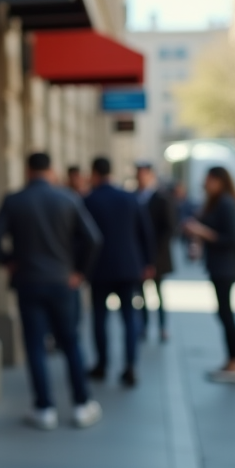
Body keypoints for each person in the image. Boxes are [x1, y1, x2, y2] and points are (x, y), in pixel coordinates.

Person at [0, 152, 103, 430]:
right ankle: (81, 404)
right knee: (71, 343)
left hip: (28, 281)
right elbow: (94, 239)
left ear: (28, 171)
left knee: (35, 346)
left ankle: (44, 408)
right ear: (51, 171)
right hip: (63, 283)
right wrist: (79, 273)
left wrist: (9, 263)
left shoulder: (14, 201)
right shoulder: (68, 198)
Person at [83, 157, 154, 387]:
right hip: (128, 267)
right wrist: (148, 263)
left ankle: (102, 364)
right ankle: (130, 366)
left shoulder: (89, 200)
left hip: (99, 268)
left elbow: (80, 238)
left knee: (100, 319)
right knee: (129, 318)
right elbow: (146, 232)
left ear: (94, 173)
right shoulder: (129, 198)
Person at [183, 166, 235, 384]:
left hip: (226, 267)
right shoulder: (217, 202)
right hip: (218, 266)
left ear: (218, 181)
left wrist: (201, 232)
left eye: (208, 180)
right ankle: (232, 361)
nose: (204, 184)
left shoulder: (226, 203)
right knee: (223, 314)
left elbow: (231, 238)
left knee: (227, 315)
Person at [135, 161, 177, 342]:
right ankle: (143, 326)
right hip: (138, 255)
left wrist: (154, 258)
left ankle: (162, 327)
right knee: (140, 295)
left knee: (158, 293)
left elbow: (168, 229)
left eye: (144, 174)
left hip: (157, 256)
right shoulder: (134, 197)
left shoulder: (161, 198)